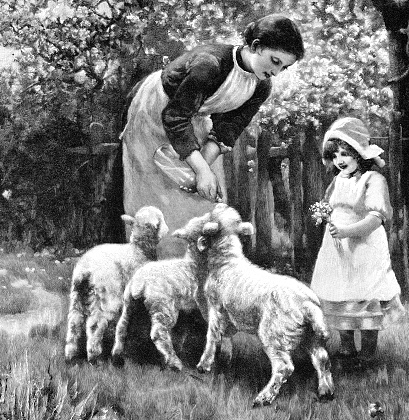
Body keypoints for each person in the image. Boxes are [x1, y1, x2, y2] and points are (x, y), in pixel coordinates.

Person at [120, 14, 304, 258]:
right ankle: (153, 267)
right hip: (157, 112)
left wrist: (201, 169)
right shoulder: (210, 64)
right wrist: (202, 171)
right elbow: (175, 116)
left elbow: (228, 128)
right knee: (156, 193)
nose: (277, 71)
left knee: (201, 198)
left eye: (284, 67)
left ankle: (193, 266)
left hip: (194, 120)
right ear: (256, 46)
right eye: (275, 61)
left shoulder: (261, 85)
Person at [310, 117, 405, 370]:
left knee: (365, 293)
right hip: (337, 247)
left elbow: (376, 219)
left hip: (364, 247)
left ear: (359, 154)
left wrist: (347, 230)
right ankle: (347, 347)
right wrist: (323, 217)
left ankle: (368, 351)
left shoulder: (373, 179)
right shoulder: (337, 180)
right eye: (335, 155)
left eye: (346, 154)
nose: (340, 160)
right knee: (340, 291)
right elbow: (329, 206)